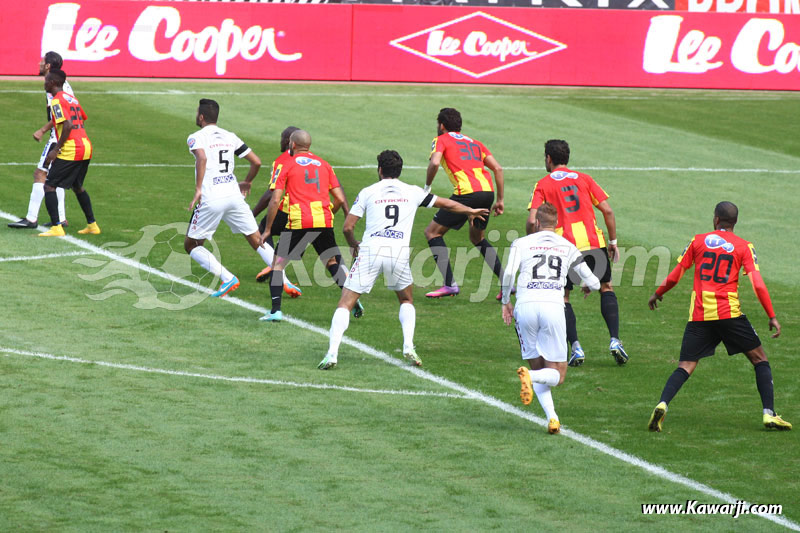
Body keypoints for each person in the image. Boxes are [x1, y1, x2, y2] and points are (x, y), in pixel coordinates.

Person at [319, 150, 489, 370]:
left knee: (345, 303)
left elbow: (347, 227)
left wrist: (354, 245)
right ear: (399, 171)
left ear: (380, 170)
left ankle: (332, 353)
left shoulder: (368, 192)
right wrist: (470, 210)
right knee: (406, 300)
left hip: (371, 251)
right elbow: (447, 204)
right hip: (398, 253)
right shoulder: (412, 192)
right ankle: (408, 346)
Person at [647, 201, 791, 432]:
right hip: (729, 314)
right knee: (760, 359)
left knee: (685, 365)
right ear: (735, 222)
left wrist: (657, 293)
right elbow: (758, 285)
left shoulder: (698, 241)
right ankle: (769, 414)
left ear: (716, 219)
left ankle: (662, 403)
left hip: (700, 315)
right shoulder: (744, 246)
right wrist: (772, 315)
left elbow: (676, 274)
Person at [502, 203, 600, 434]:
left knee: (537, 365)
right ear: (556, 225)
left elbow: (508, 273)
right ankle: (532, 377)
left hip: (525, 307)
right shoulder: (567, 246)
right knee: (558, 374)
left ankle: (553, 418)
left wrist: (506, 300)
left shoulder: (522, 243)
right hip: (553, 309)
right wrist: (586, 285)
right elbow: (595, 283)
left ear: (536, 223)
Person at [527, 139, 627, 367]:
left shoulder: (543, 184)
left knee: (563, 297)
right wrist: (612, 241)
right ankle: (614, 340)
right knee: (606, 287)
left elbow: (533, 219)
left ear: (549, 158)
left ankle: (576, 347)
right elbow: (607, 210)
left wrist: (534, 242)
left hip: (564, 247)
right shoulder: (584, 178)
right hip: (594, 242)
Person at [182, 98, 281, 299]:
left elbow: (201, 158)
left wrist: (199, 188)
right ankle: (285, 281)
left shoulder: (196, 137)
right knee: (256, 238)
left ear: (201, 116)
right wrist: (248, 182)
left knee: (191, 245)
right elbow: (256, 162)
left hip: (211, 197)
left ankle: (227, 278)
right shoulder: (230, 136)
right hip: (234, 195)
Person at [260, 129, 356, 323]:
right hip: (323, 220)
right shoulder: (324, 164)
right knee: (331, 263)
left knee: (277, 265)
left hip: (298, 221)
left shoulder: (286, 164)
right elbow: (339, 197)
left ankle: (275, 311)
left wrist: (268, 229)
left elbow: (275, 199)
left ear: (292, 145)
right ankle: (352, 301)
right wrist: (328, 211)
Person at [422, 107, 505, 298]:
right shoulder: (476, 143)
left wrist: (427, 187)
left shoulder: (441, 140)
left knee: (432, 232)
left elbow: (434, 163)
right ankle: (506, 283)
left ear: (442, 125)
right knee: (478, 238)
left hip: (467, 194)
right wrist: (500, 200)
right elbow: (498, 169)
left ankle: (449, 284)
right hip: (487, 193)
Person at [9, 52, 70, 229]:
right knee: (56, 177)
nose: (39, 63)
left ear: (49, 66)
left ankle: (31, 218)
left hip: (58, 137)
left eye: (42, 61)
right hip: (65, 137)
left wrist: (42, 129)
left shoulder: (55, 88)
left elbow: (61, 114)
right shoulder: (61, 84)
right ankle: (60, 218)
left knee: (40, 173)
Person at [37, 69, 99, 237]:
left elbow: (68, 125)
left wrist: (56, 150)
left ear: (53, 83)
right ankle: (92, 225)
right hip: (85, 145)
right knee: (77, 186)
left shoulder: (56, 101)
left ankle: (57, 226)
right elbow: (82, 118)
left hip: (72, 148)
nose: (44, 83)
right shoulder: (72, 99)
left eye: (47, 80)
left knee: (49, 185)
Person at [251, 126, 302, 297]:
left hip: (288, 209)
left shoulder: (282, 161)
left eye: (282, 137)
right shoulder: (313, 161)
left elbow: (272, 194)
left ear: (290, 141)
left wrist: (253, 213)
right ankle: (343, 275)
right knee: (293, 241)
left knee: (264, 228)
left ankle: (274, 266)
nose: (280, 140)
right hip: (310, 212)